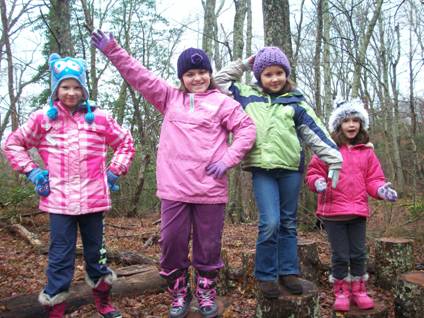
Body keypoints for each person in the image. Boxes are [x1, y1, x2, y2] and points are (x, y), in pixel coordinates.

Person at [91, 30, 256, 318]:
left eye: (202, 72)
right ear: (181, 77)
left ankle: (206, 290)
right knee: (171, 243)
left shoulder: (223, 102)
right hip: (175, 189)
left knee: (209, 246)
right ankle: (179, 290)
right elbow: (139, 75)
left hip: (210, 189)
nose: (197, 78)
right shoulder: (169, 98)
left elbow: (247, 130)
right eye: (190, 73)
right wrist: (113, 50)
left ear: (209, 74)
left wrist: (228, 159)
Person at [2, 53, 135, 318]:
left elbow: (125, 143)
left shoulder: (99, 117)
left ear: (84, 89)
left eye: (76, 87)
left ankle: (103, 301)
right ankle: (56, 309)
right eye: (65, 86)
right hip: (59, 201)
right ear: (56, 89)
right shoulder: (43, 119)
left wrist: (113, 172)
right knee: (60, 258)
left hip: (94, 199)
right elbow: (12, 144)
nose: (71, 92)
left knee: (97, 254)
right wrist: (33, 172)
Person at [214, 47, 343, 297]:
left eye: (279, 73)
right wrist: (245, 63)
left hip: (290, 170)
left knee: (288, 224)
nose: (274, 78)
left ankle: (288, 272)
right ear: (260, 76)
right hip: (262, 170)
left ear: (287, 74)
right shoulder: (245, 95)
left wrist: (334, 157)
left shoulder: (296, 101)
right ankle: (266, 274)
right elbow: (218, 81)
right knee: (270, 222)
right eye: (268, 74)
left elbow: (315, 133)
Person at [305, 99, 398, 312]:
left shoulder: (366, 151)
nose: (351, 125)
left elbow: (373, 179)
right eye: (346, 120)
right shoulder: (326, 148)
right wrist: (317, 182)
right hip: (333, 212)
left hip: (357, 212)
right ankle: (341, 291)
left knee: (358, 254)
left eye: (356, 120)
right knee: (340, 255)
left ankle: (359, 290)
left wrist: (382, 190)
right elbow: (313, 172)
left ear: (361, 124)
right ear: (338, 124)